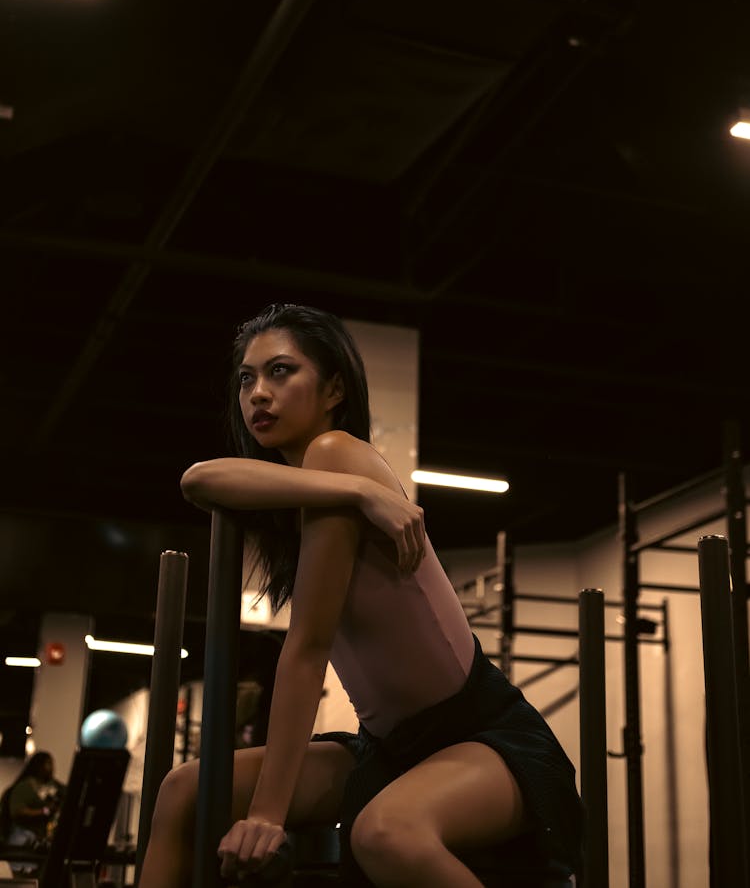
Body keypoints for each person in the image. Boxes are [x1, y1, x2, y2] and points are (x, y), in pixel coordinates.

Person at [139, 304, 582, 887]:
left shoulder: (336, 451)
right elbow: (198, 479)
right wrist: (357, 491)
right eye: (247, 378)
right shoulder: (327, 482)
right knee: (185, 790)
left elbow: (308, 646)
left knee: (386, 833)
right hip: (387, 747)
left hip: (481, 735)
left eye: (280, 372)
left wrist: (268, 815)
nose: (258, 394)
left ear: (334, 389)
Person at [0, 751, 65, 872]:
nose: (51, 768)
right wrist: (44, 811)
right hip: (22, 842)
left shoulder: (54, 787)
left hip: (41, 842)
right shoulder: (24, 787)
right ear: (38, 766)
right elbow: (18, 811)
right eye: (47, 763)